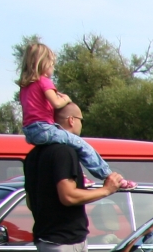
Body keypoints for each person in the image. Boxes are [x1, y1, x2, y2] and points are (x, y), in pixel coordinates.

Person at [24, 103, 125, 252]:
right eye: (81, 120)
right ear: (71, 120)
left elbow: (30, 201)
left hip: (44, 240)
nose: (81, 124)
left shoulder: (33, 155)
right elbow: (68, 196)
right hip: (66, 241)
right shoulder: (64, 151)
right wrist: (107, 190)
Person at [17, 39, 115, 183]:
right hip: (44, 128)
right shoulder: (44, 81)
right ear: (43, 64)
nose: (53, 69)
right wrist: (67, 99)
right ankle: (107, 175)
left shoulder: (25, 87)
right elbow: (56, 103)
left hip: (29, 131)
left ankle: (80, 175)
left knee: (68, 145)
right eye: (52, 65)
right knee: (80, 144)